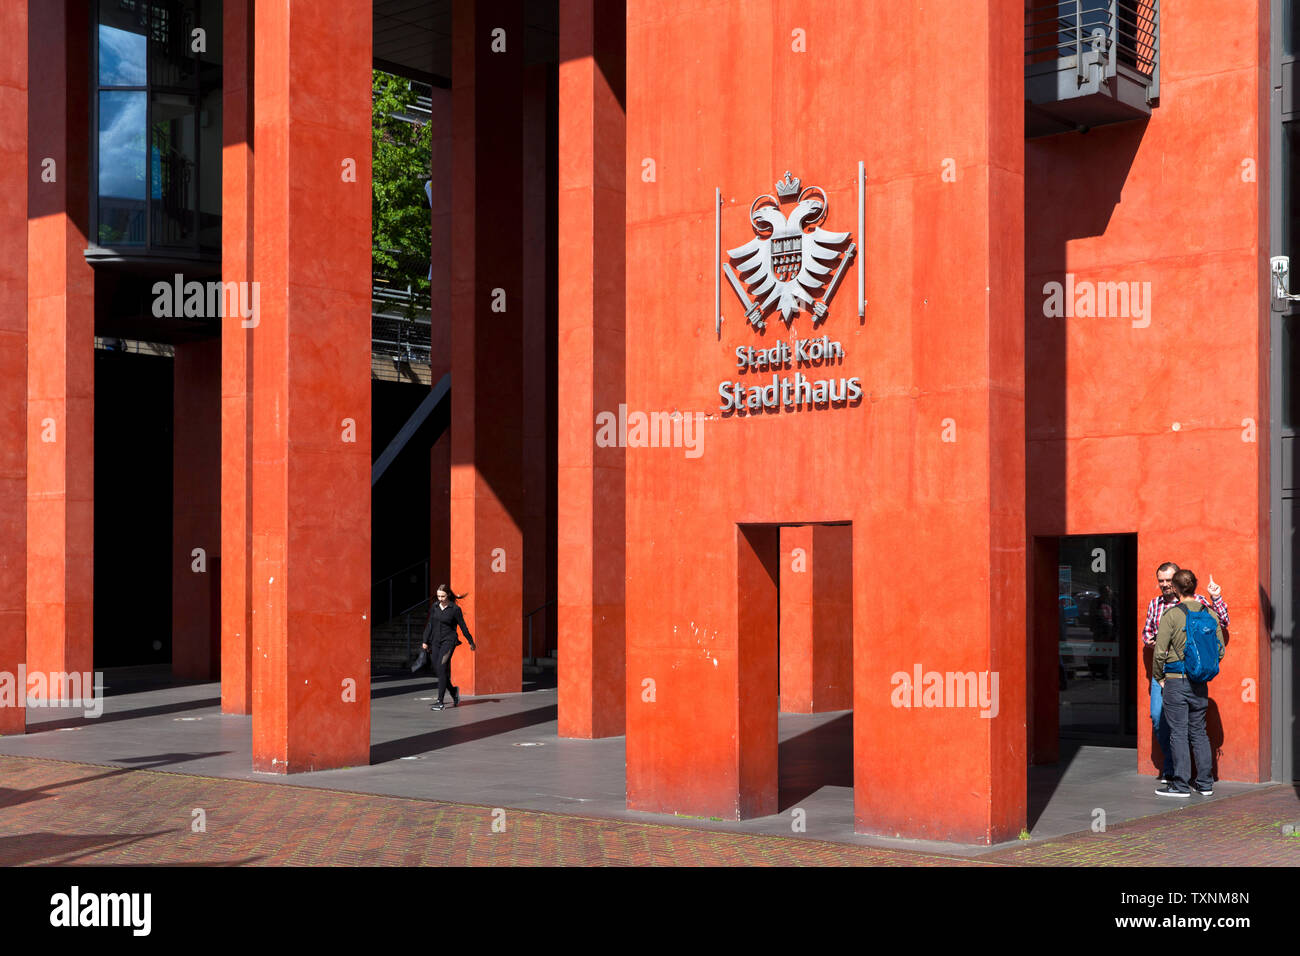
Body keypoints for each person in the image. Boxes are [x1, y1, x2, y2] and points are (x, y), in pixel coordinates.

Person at [1142, 561, 1227, 781]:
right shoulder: (1156, 604)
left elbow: (1222, 621)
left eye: (1169, 581)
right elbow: (1147, 634)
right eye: (1160, 581)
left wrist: (1216, 598)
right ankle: (1194, 778)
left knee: (1184, 729)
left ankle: (1179, 779)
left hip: (1180, 673)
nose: (1164, 585)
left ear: (1178, 582)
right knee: (1159, 718)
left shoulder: (1198, 603)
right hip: (1168, 672)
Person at [420, 584, 476, 711]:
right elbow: (430, 625)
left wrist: (470, 641)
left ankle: (440, 702)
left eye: (442, 596)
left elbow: (463, 626)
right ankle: (453, 690)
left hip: (449, 641)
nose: (440, 598)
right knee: (439, 670)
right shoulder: (434, 607)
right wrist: (425, 640)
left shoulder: (455, 609)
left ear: (448, 595)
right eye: (438, 596)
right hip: (435, 641)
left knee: (442, 667)